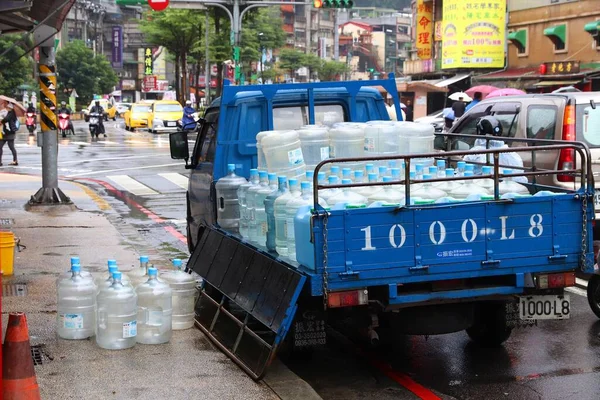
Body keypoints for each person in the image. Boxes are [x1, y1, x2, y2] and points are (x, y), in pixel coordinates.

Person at [462, 115, 526, 183]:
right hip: (514, 189)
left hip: (485, 189)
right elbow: (520, 178)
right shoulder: (513, 154)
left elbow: (462, 174)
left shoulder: (475, 153)